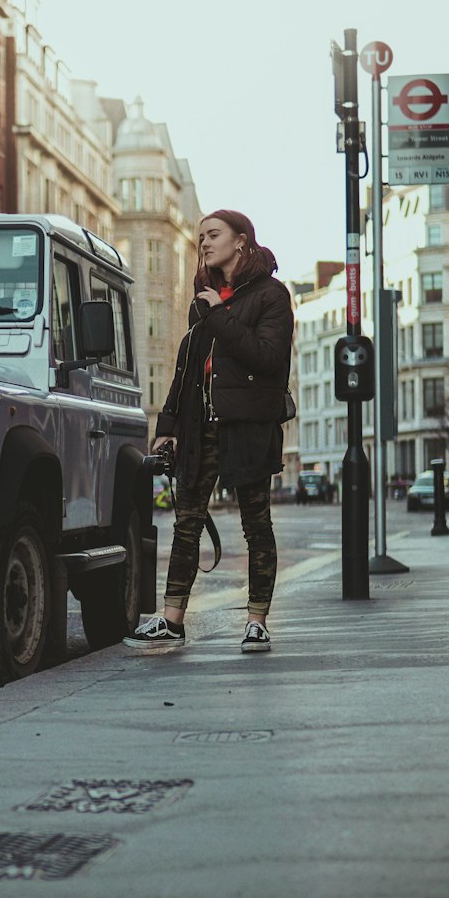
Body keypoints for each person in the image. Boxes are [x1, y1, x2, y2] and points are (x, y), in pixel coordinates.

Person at [124, 210, 294, 655]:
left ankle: (257, 621)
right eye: (200, 236)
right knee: (186, 524)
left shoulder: (271, 296)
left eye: (213, 234)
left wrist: (219, 316)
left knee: (256, 526)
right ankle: (172, 620)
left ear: (241, 241)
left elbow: (268, 359)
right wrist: (167, 427)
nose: (204, 242)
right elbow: (187, 367)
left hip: (248, 429)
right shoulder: (203, 299)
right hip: (200, 429)